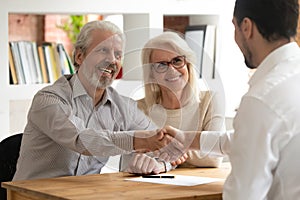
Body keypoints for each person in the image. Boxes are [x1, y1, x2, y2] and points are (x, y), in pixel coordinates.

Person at [156, 0, 300, 199]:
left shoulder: (262, 99)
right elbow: (254, 138)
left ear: (246, 27)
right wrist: (189, 139)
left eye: (235, 27)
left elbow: (243, 195)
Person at [13, 20, 180, 181]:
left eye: (118, 54)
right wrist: (140, 140)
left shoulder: (124, 107)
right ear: (79, 56)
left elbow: (163, 144)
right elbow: (81, 140)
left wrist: (159, 164)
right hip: (32, 195)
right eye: (103, 50)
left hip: (84, 194)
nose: (112, 60)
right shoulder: (48, 99)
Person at [121, 31, 225, 174]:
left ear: (187, 64)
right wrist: (188, 151)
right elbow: (128, 163)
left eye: (177, 61)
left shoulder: (210, 101)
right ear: (151, 73)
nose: (171, 70)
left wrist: (163, 154)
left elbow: (215, 156)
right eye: (161, 65)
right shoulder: (137, 109)